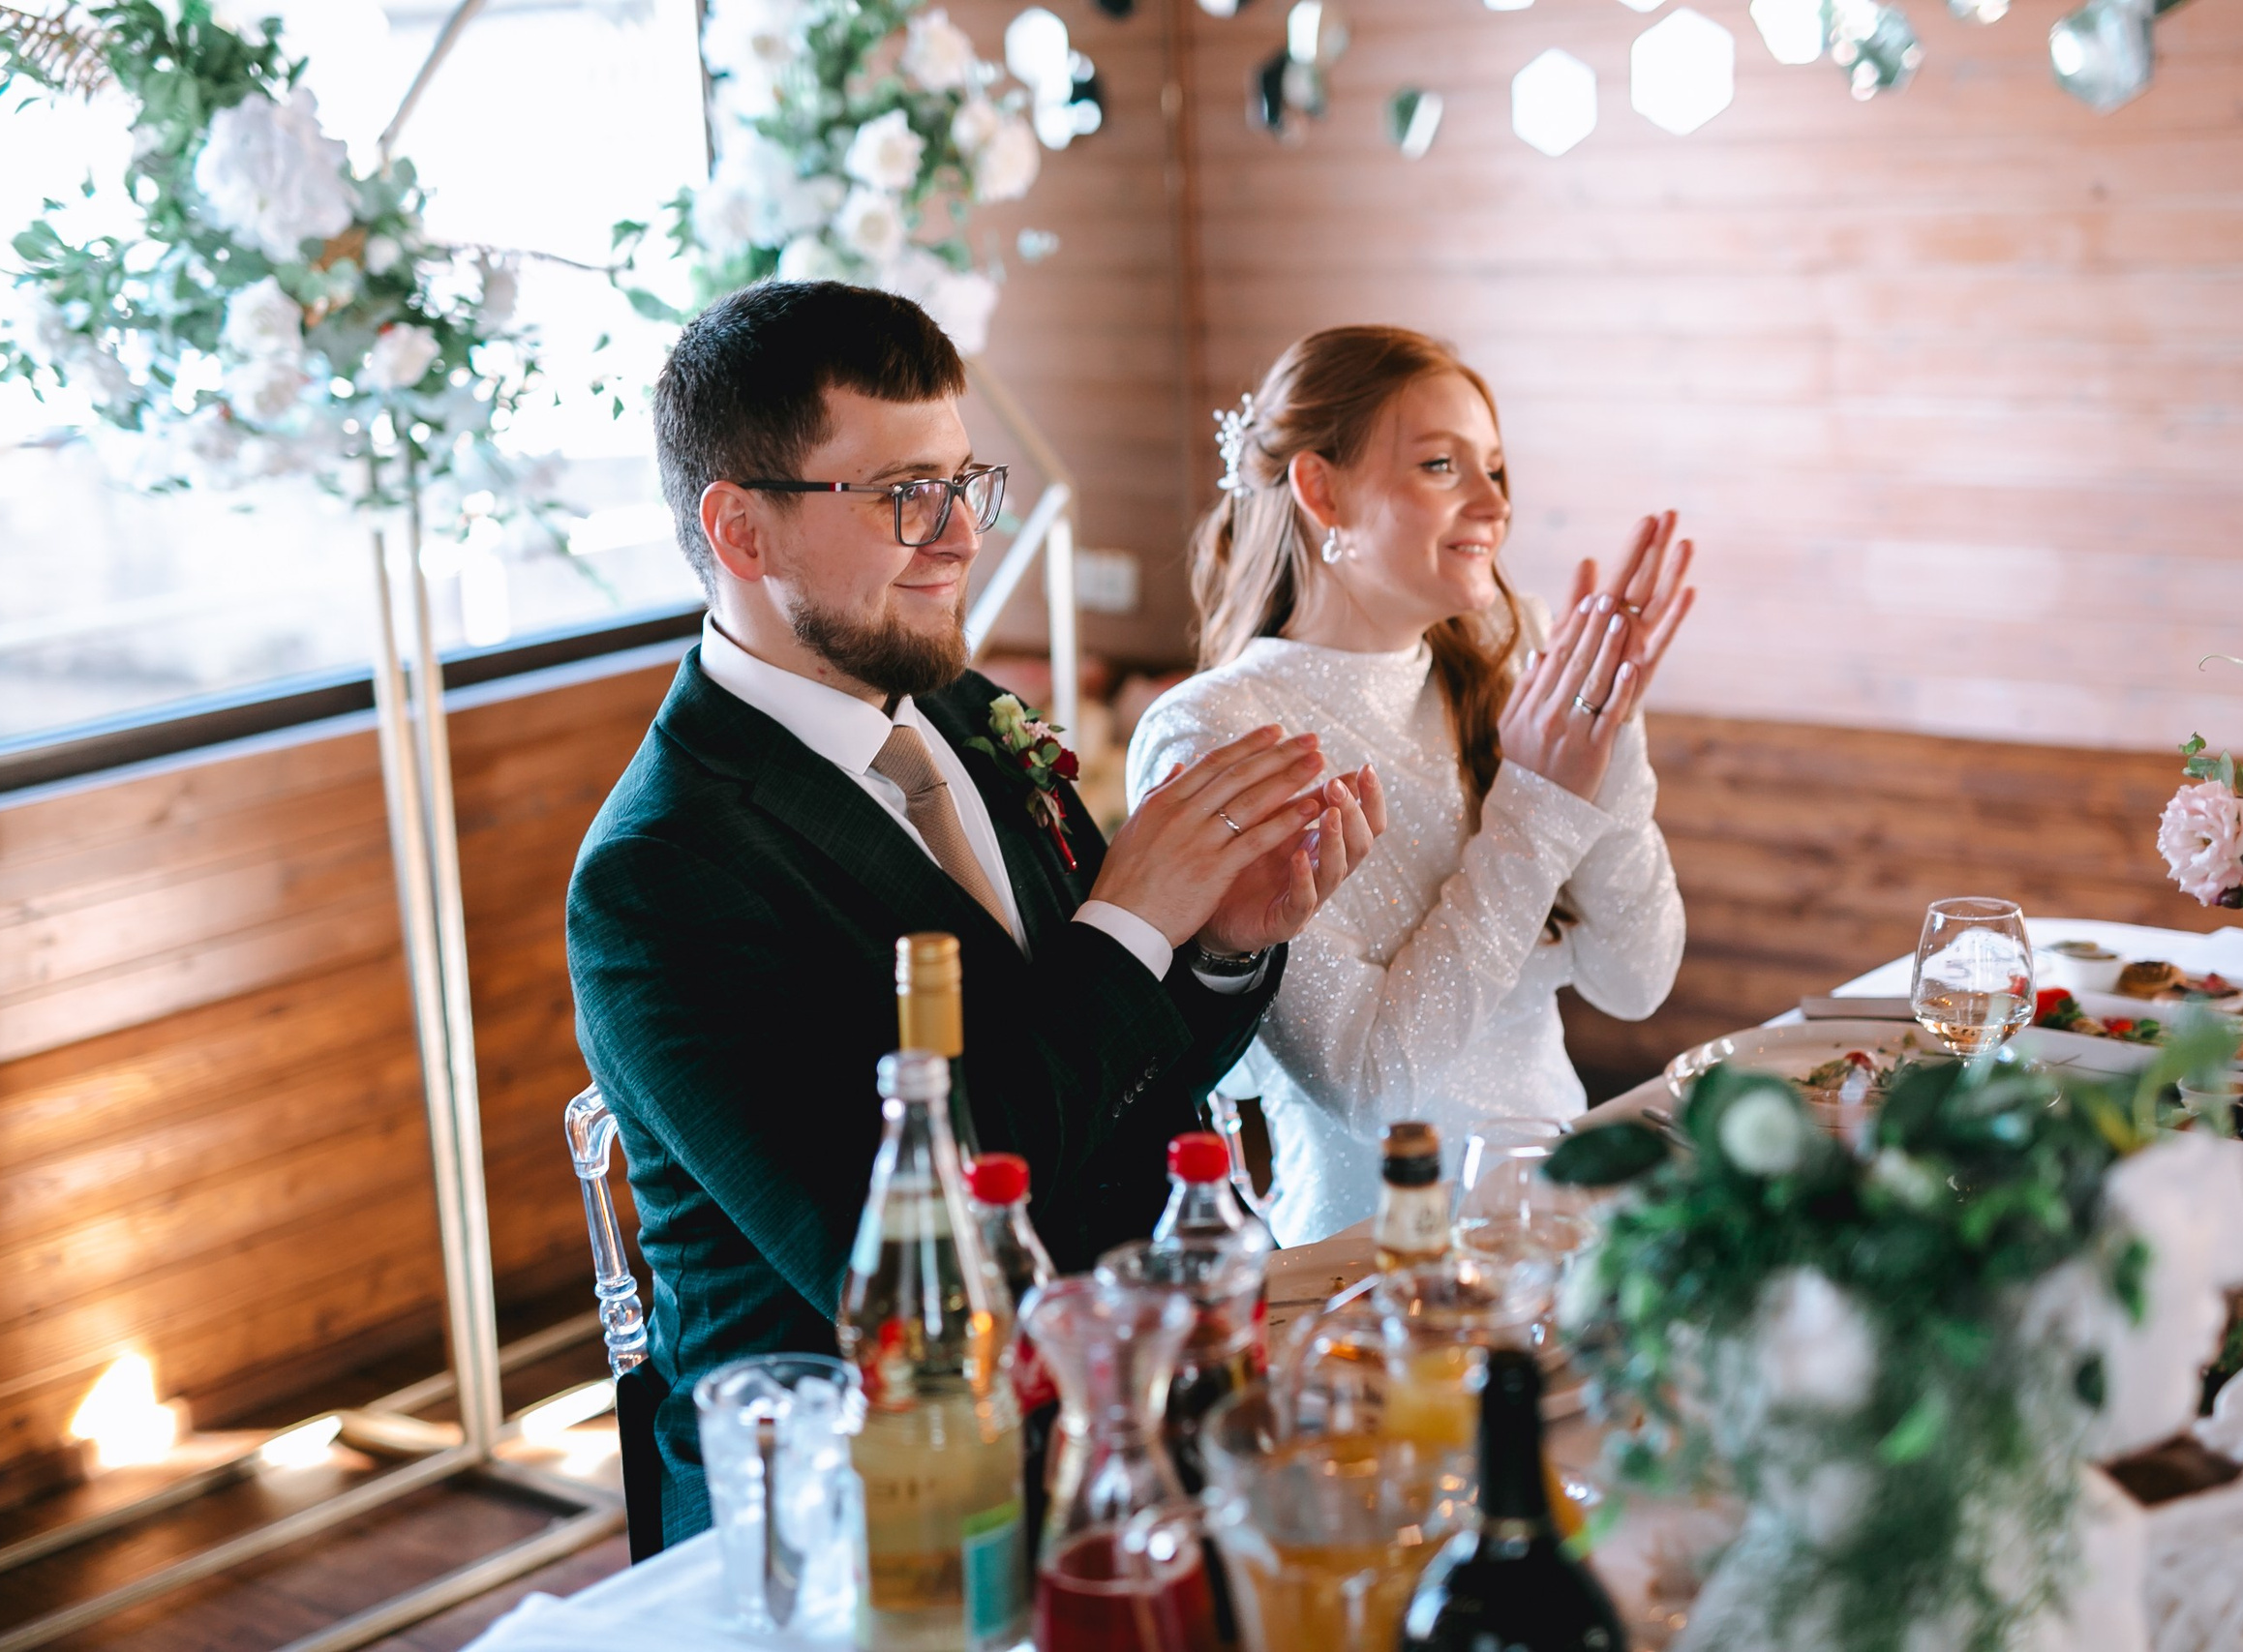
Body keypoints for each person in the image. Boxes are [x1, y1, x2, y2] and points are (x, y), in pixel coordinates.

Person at [565, 282, 1381, 1546]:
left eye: (966, 482)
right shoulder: (661, 875)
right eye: (904, 495)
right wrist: (1127, 926)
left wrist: (1221, 945)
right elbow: (888, 1257)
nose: (959, 536)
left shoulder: (956, 715)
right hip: (853, 1506)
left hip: (1108, 1405)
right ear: (742, 531)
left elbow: (1115, 1075)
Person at [1127, 326, 1692, 1247]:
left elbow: (1637, 983)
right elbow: (1371, 1083)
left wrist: (1607, 737)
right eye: (1441, 465)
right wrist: (1538, 803)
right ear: (1322, 490)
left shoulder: (1514, 664)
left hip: (1563, 1225)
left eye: (1497, 469)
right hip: (1373, 1265)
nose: (1492, 504)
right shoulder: (1218, 734)